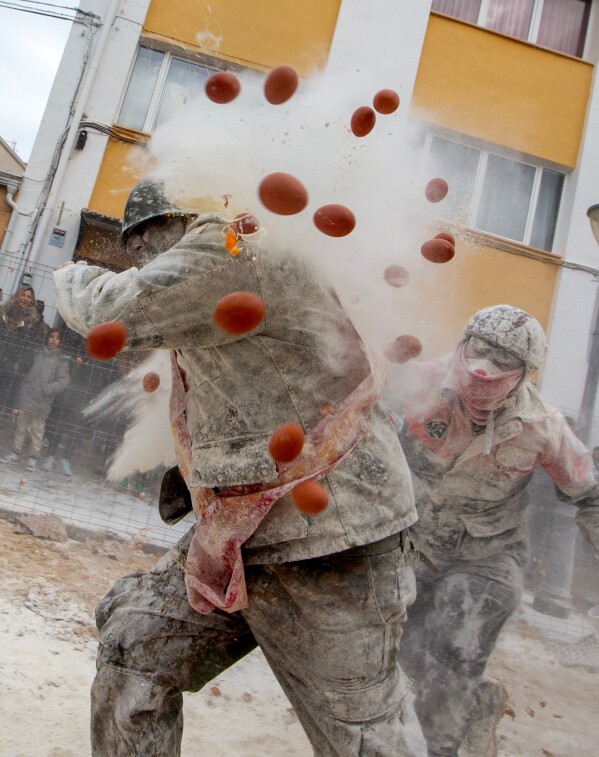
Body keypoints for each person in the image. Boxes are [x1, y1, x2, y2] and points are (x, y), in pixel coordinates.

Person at [53, 178, 426, 756]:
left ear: (187, 219)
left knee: (363, 735)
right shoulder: (226, 264)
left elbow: (109, 311)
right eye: (132, 246)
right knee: (136, 645)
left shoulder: (231, 247)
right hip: (252, 530)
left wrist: (68, 272)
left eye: (149, 238)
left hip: (331, 537)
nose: (141, 257)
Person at [382, 305, 599, 757]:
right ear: (461, 347)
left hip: (488, 555)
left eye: (501, 365)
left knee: (457, 644)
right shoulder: (416, 381)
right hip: (414, 542)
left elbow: (588, 493)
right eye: (477, 354)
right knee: (405, 653)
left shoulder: (543, 426)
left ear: (523, 375)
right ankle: (476, 705)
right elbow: (351, 411)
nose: (483, 371)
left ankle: (435, 749)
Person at [3, 328, 71, 470]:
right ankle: (16, 452)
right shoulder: (37, 354)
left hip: (43, 401)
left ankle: (33, 457)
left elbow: (63, 381)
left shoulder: (61, 360)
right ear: (47, 338)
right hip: (27, 396)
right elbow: (26, 371)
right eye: (51, 337)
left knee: (37, 430)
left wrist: (49, 388)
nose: (53, 340)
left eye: (57, 338)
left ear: (61, 342)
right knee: (21, 427)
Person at [0, 286, 44, 414]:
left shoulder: (35, 323)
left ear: (32, 300)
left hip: (13, 367)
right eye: (23, 295)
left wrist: (20, 363)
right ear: (17, 295)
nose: (25, 298)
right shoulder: (3, 312)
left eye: (28, 297)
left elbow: (32, 348)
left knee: (5, 400)